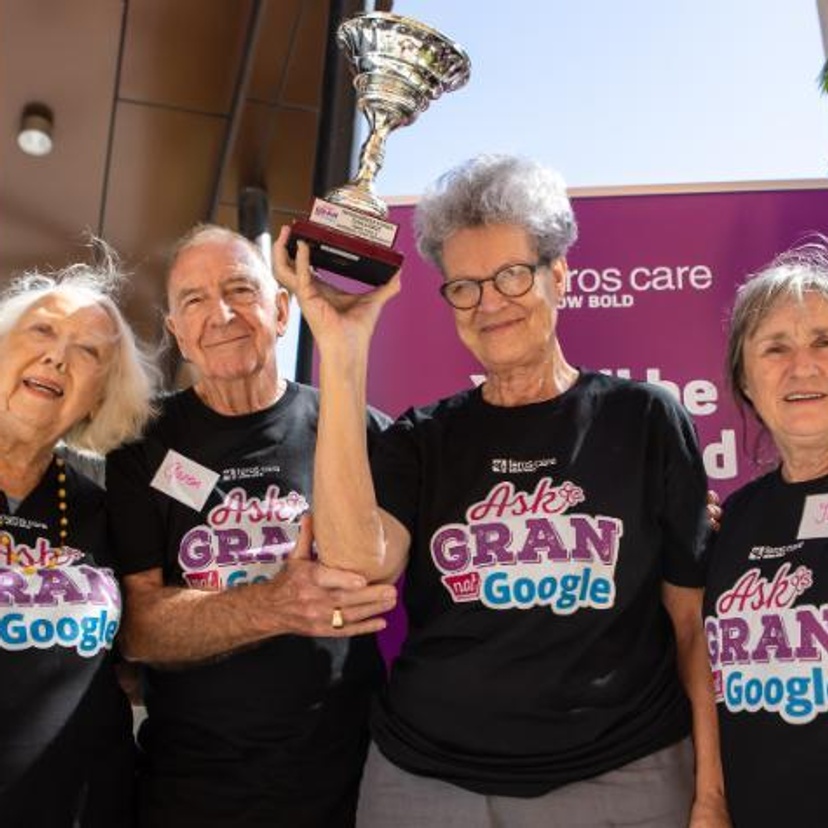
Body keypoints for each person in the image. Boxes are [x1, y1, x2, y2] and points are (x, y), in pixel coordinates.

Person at [274, 153, 730, 827]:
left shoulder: (646, 420)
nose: (489, 303)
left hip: (619, 779)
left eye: (512, 276)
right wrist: (343, 347)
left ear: (560, 277)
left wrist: (710, 797)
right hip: (426, 786)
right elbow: (355, 560)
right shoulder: (423, 438)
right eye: (465, 286)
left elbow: (691, 629)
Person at [105, 224, 397, 828]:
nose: (221, 313)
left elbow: (383, 582)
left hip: (345, 779)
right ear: (177, 334)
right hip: (191, 788)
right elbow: (140, 629)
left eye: (241, 289)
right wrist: (278, 605)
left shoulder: (360, 431)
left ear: (283, 309)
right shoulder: (141, 448)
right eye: (194, 300)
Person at [0, 256, 158, 826]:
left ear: (98, 397)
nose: (57, 355)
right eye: (42, 329)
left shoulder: (107, 509)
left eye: (88, 351)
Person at [703, 238, 828, 827]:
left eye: (824, 341)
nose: (804, 365)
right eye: (775, 348)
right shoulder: (734, 523)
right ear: (746, 382)